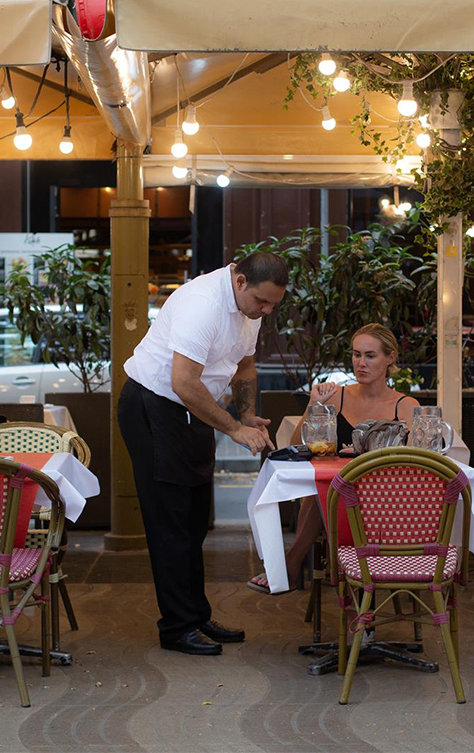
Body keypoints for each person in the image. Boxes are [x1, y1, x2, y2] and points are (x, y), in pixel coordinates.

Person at [117, 252, 288, 656]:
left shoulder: (251, 307)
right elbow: (182, 382)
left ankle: (195, 614)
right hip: (154, 406)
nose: (265, 311)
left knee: (194, 521)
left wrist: (247, 413)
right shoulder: (203, 304)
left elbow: (245, 365)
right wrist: (234, 429)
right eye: (262, 302)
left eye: (273, 305)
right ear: (240, 280)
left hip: (192, 408)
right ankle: (177, 627)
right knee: (170, 521)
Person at [247, 323, 421, 595]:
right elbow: (294, 445)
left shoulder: (405, 406)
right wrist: (313, 405)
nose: (360, 363)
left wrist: (367, 454)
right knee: (326, 490)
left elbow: (413, 460)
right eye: (356, 354)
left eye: (370, 356)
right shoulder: (336, 396)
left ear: (390, 358)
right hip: (336, 494)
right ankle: (323, 578)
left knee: (326, 492)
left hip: (385, 500)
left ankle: (291, 566)